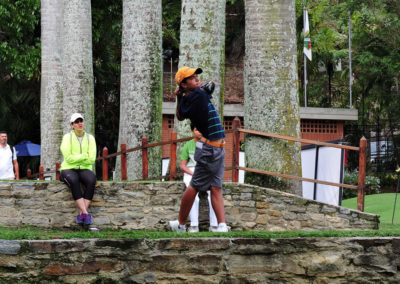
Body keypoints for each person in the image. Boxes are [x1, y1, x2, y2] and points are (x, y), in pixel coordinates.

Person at [169, 66, 230, 233]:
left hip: (217, 148)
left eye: (196, 76)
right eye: (192, 77)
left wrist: (180, 96)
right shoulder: (197, 94)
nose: (197, 78)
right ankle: (181, 224)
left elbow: (180, 115)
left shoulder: (191, 97)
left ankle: (222, 225)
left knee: (216, 187)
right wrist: (187, 92)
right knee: (194, 186)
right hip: (210, 149)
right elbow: (211, 84)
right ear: (184, 84)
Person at [59, 113, 97, 225]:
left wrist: (79, 158)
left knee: (91, 180)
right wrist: (83, 156)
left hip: (85, 169)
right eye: (77, 122)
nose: (80, 123)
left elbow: (91, 159)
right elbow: (68, 159)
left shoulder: (90, 138)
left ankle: (82, 214)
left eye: (81, 121)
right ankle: (85, 212)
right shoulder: (67, 138)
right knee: (74, 180)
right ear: (72, 125)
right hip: (68, 169)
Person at [180, 124, 218, 232]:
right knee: (193, 196)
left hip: (206, 172)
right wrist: (193, 173)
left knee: (213, 194)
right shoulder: (188, 145)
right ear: (192, 131)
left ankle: (215, 226)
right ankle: (194, 225)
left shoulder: (209, 144)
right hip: (191, 171)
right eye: (196, 129)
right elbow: (183, 166)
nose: (199, 131)